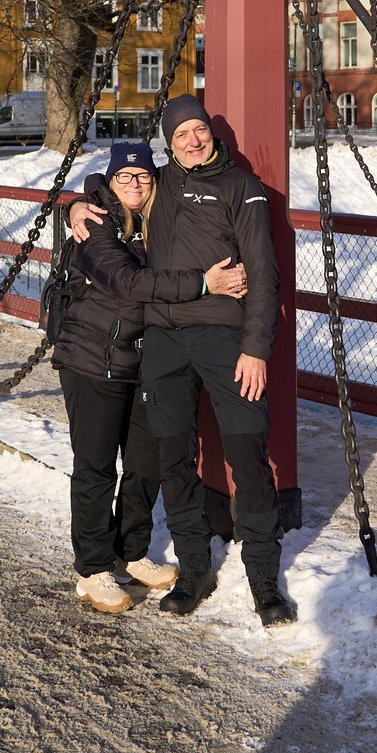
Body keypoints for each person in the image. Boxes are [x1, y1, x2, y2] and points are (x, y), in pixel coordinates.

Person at [69, 94, 293, 628]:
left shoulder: (241, 187)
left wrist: (256, 348)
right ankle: (193, 568)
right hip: (164, 342)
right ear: (169, 144)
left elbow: (264, 273)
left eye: (199, 130)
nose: (192, 140)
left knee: (248, 455)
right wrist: (76, 205)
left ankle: (263, 577)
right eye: (180, 134)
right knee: (173, 460)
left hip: (225, 339)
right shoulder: (162, 183)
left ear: (211, 134)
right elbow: (112, 186)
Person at [56, 140, 248, 613]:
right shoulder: (95, 223)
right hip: (93, 359)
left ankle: (131, 552)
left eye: (143, 176)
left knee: (144, 465)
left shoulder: (158, 219)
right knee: (97, 467)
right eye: (125, 176)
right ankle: (92, 568)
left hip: (144, 361)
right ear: (112, 180)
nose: (135, 184)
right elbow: (129, 282)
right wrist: (204, 283)